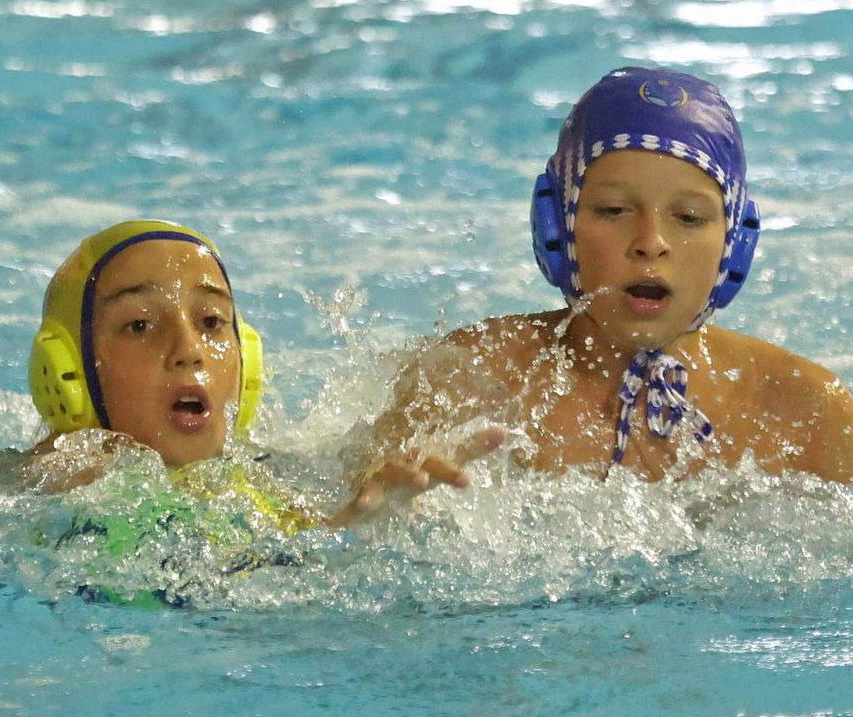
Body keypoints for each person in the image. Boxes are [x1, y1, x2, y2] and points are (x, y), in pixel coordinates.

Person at [349, 66, 853, 507]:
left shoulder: (807, 412)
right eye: (613, 210)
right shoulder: (468, 380)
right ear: (557, 229)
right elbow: (339, 529)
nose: (650, 241)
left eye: (690, 218)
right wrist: (379, 519)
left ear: (735, 244)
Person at [25, 218, 502, 527]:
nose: (189, 350)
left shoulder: (264, 486)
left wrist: (377, 515)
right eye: (140, 324)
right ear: (70, 372)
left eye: (211, 322)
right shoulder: (45, 488)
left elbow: (309, 557)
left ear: (246, 360)